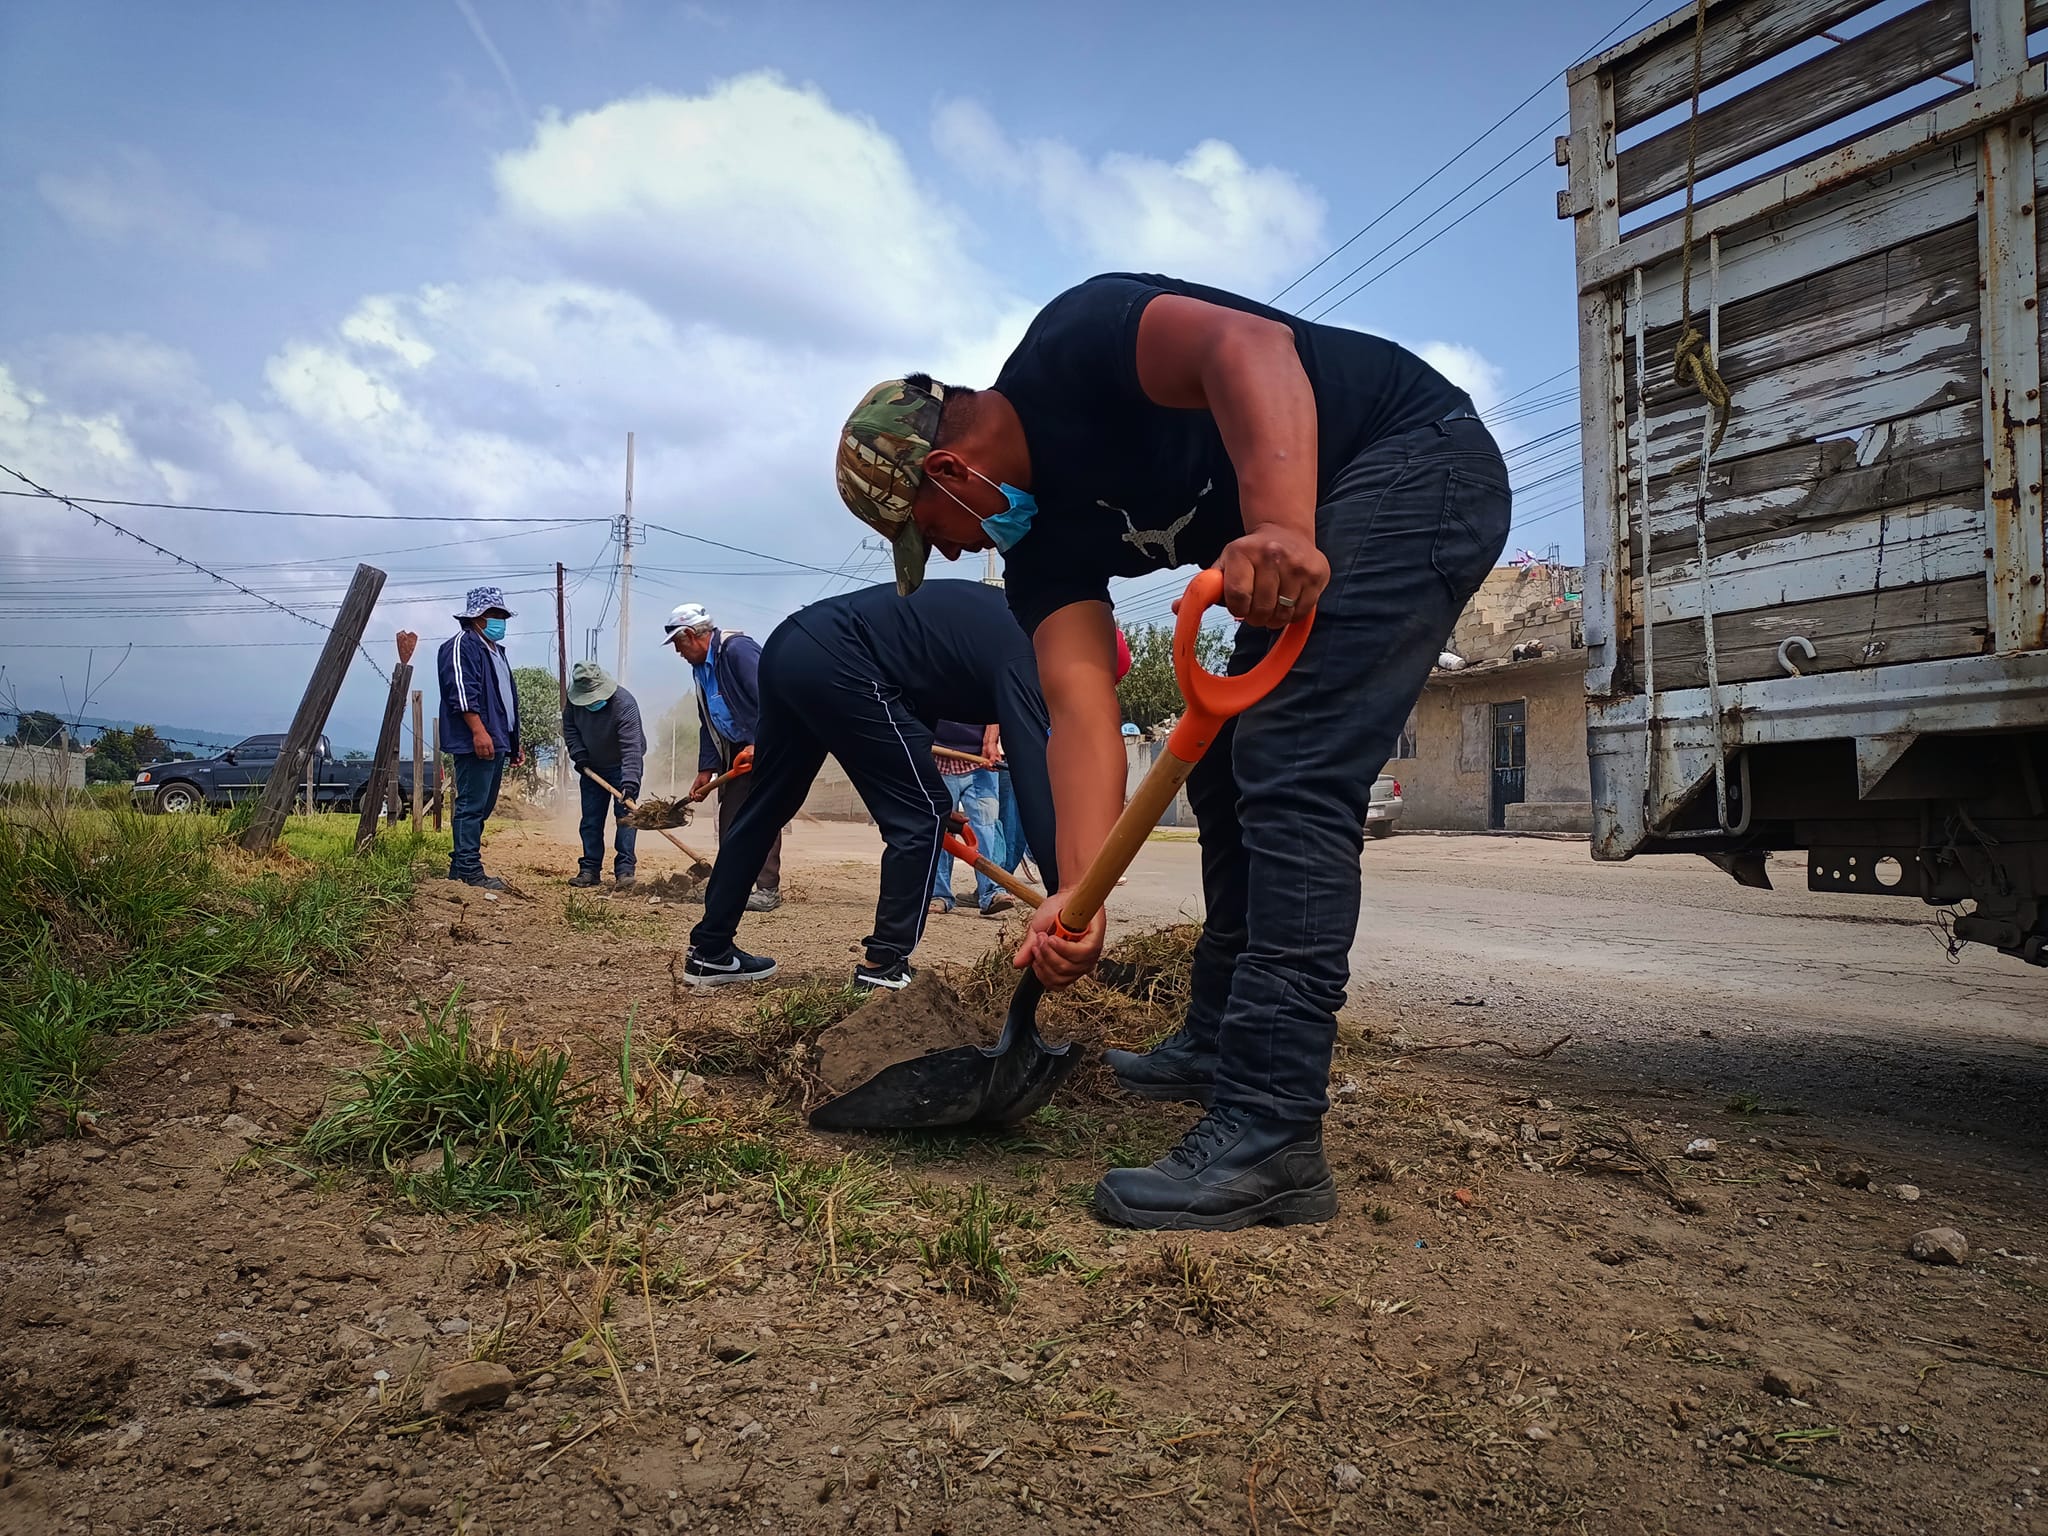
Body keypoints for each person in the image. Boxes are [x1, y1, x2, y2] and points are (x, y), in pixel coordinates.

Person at [834, 272, 1511, 1231]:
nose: (943, 555)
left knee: (1291, 757)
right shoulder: (1040, 556)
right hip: (1326, 513)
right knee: (1228, 767)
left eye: (926, 535)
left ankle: (1272, 1129)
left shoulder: (1077, 341)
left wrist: (1278, 525)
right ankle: (1219, 1041)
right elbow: (1079, 709)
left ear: (946, 472)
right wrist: (1079, 891)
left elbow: (1251, 348)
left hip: (1413, 460)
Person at [682, 579, 1059, 991]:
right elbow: (1033, 775)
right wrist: (1068, 892)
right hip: (841, 656)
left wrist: (920, 782)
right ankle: (884, 966)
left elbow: (919, 704)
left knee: (766, 807)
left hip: (791, 645)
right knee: (920, 814)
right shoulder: (1030, 651)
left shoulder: (1000, 626)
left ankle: (710, 951)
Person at [666, 603, 781, 914]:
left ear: (691, 635)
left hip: (766, 744)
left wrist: (759, 743)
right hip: (735, 750)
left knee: (762, 815)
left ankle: (768, 889)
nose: (678, 652)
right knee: (730, 819)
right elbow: (709, 720)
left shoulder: (736, 651)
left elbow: (772, 697)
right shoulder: (700, 669)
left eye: (678, 643)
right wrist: (708, 768)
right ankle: (734, 885)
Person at [435, 585, 524, 889]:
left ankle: (461, 864)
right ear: (476, 617)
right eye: (493, 614)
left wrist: (513, 741)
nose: (499, 620)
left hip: (497, 738)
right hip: (477, 740)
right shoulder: (463, 645)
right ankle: (469, 869)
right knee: (472, 804)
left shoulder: (496, 652)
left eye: (501, 614)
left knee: (482, 806)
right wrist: (478, 730)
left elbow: (504, 699)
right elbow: (461, 691)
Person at [561, 659, 645, 889]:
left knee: (627, 819)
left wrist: (629, 781)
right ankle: (589, 869)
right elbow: (569, 729)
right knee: (591, 820)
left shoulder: (624, 703)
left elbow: (631, 748)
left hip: (622, 766)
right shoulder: (573, 704)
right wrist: (580, 756)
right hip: (592, 768)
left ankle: (625, 871)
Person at [928, 720, 1012, 917]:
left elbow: (993, 707)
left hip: (980, 762)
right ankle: (938, 895)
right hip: (936, 759)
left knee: (987, 828)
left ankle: (993, 893)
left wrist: (990, 743)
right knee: (939, 829)